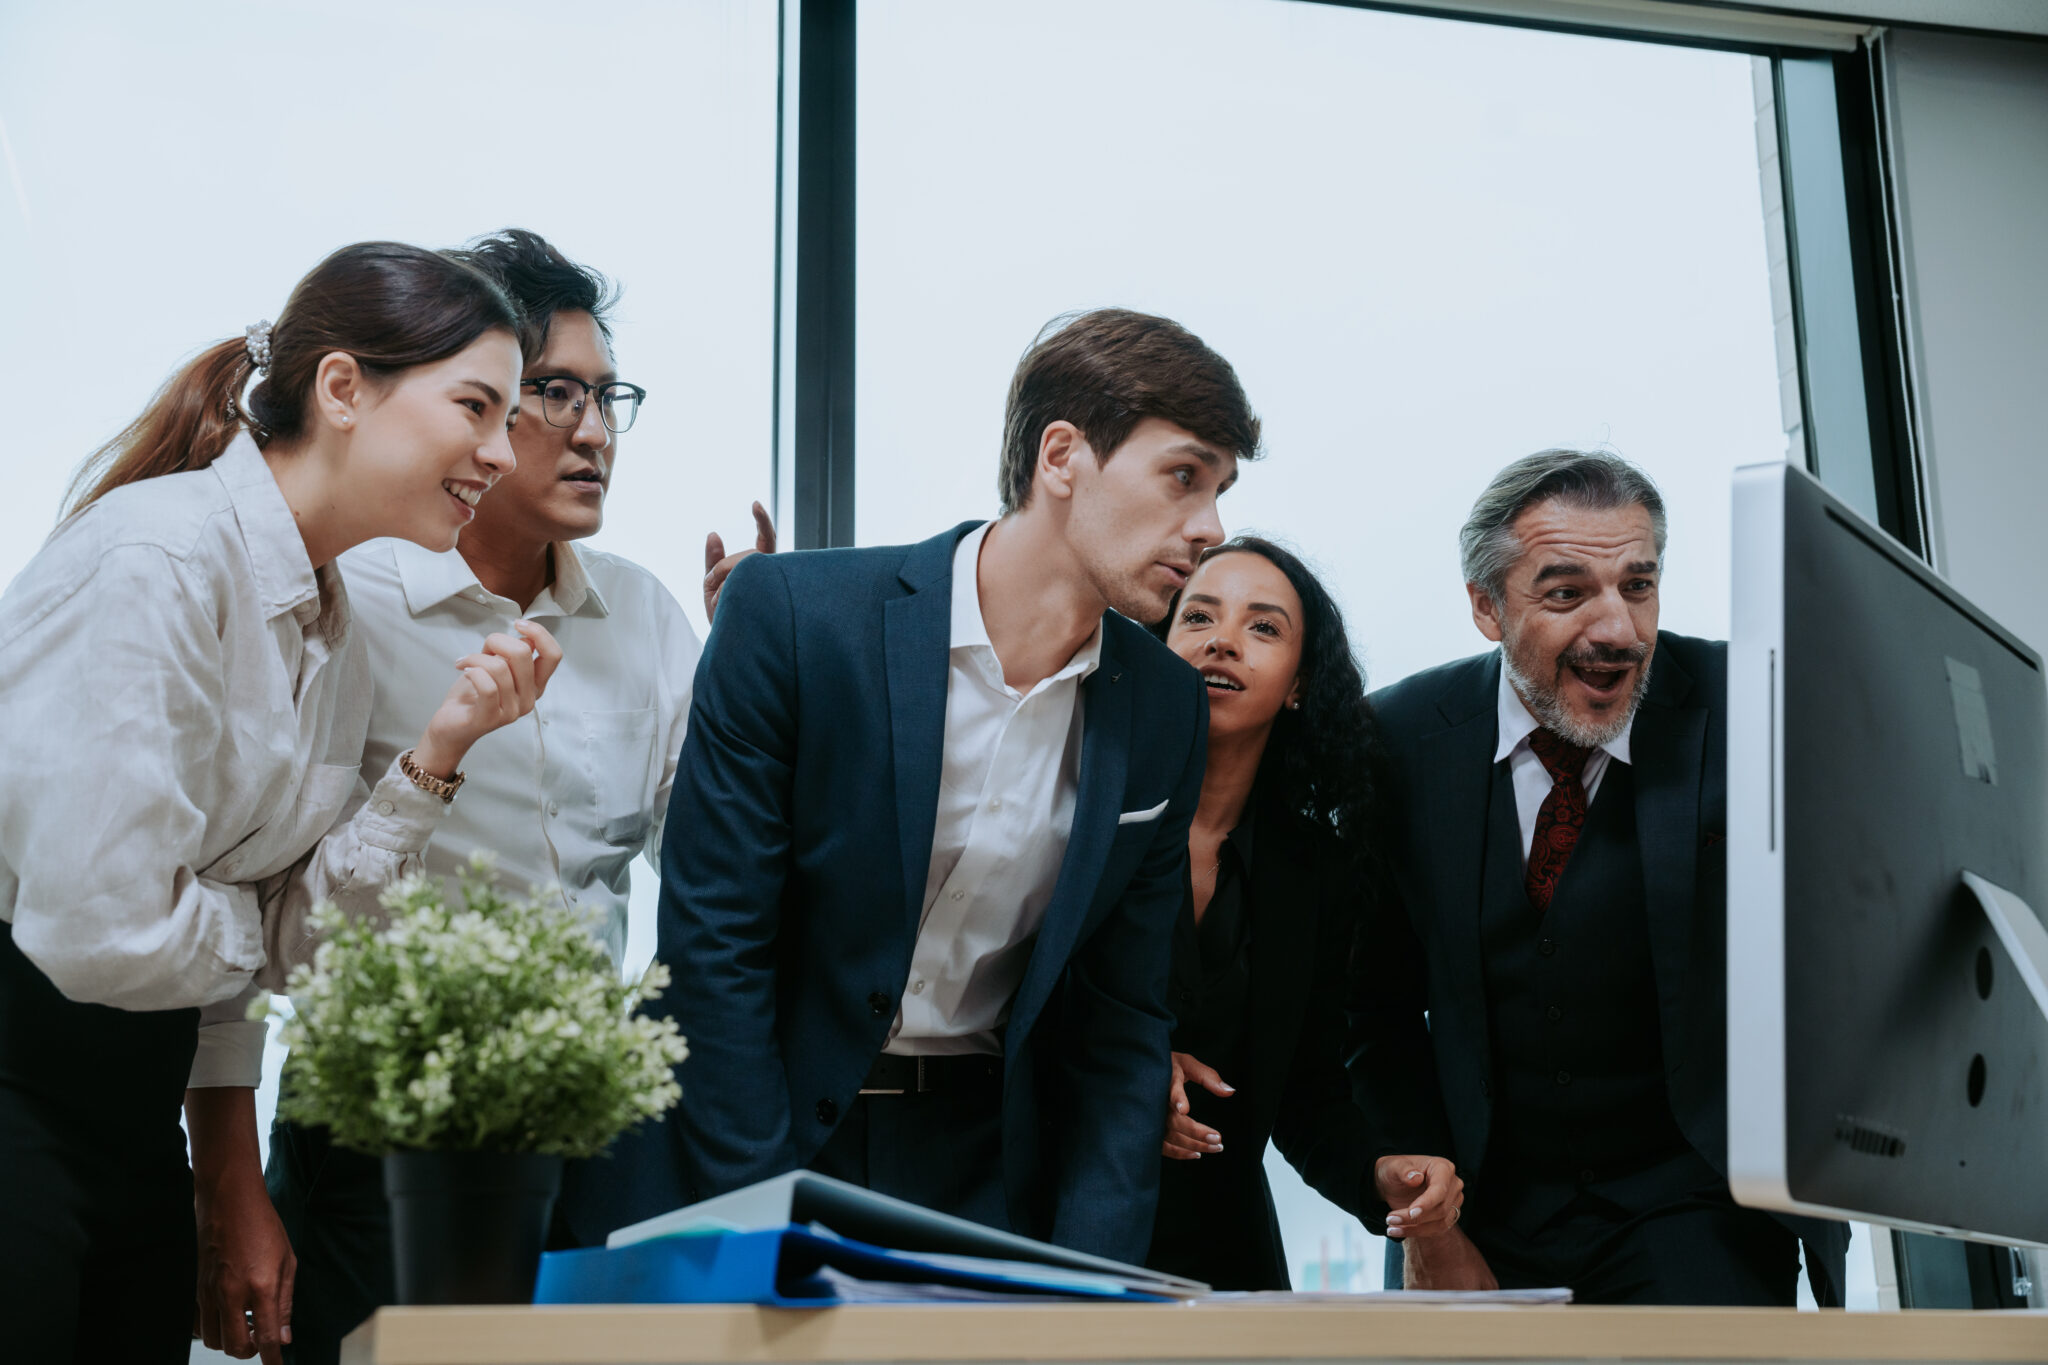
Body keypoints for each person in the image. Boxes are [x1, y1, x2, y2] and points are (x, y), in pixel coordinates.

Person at [159, 229, 764, 1365]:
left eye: (606, 397)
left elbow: (721, 876)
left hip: (592, 1140)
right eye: (550, 394)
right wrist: (225, 1185)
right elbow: (236, 918)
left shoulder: (642, 617)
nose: (592, 433)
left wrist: (763, 670)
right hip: (372, 1139)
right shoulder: (346, 602)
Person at [570, 309, 1262, 1262]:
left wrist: (1097, 1275)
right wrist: (758, 1216)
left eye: (1222, 489)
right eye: (1184, 476)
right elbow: (714, 946)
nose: (1211, 527)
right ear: (1061, 456)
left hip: (979, 1174)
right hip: (733, 1142)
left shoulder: (1164, 707)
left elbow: (1121, 1020)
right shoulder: (795, 618)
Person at [0, 241, 563, 1365]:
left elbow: (310, 953)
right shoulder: (156, 561)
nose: (501, 454)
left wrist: (436, 755)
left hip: (129, 1112)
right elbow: (100, 933)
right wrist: (251, 926)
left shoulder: (332, 624)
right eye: (476, 407)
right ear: (344, 389)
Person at [1351, 448, 1848, 1304]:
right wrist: (1432, 1223)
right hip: (1482, 1210)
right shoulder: (1398, 738)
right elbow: (1374, 1009)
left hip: (1698, 1203)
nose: (1617, 628)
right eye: (1568, 591)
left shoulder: (1755, 703)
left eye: (1639, 585)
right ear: (1486, 607)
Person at [1141, 537, 1411, 1289]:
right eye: (1197, 617)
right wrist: (1130, 1065)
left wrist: (1376, 1175)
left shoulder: (1315, 868)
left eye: (1264, 627)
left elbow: (1305, 1090)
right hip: (1054, 1227)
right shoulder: (1079, 813)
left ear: (1299, 685)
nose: (1222, 639)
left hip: (1223, 1250)